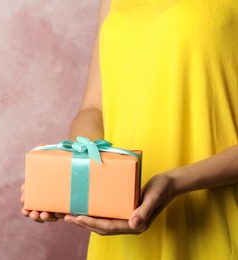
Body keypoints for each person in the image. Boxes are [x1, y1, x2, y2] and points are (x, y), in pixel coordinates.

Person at [21, 0, 238, 258]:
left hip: (215, 223)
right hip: (121, 231)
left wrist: (173, 183)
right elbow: (93, 109)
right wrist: (86, 173)